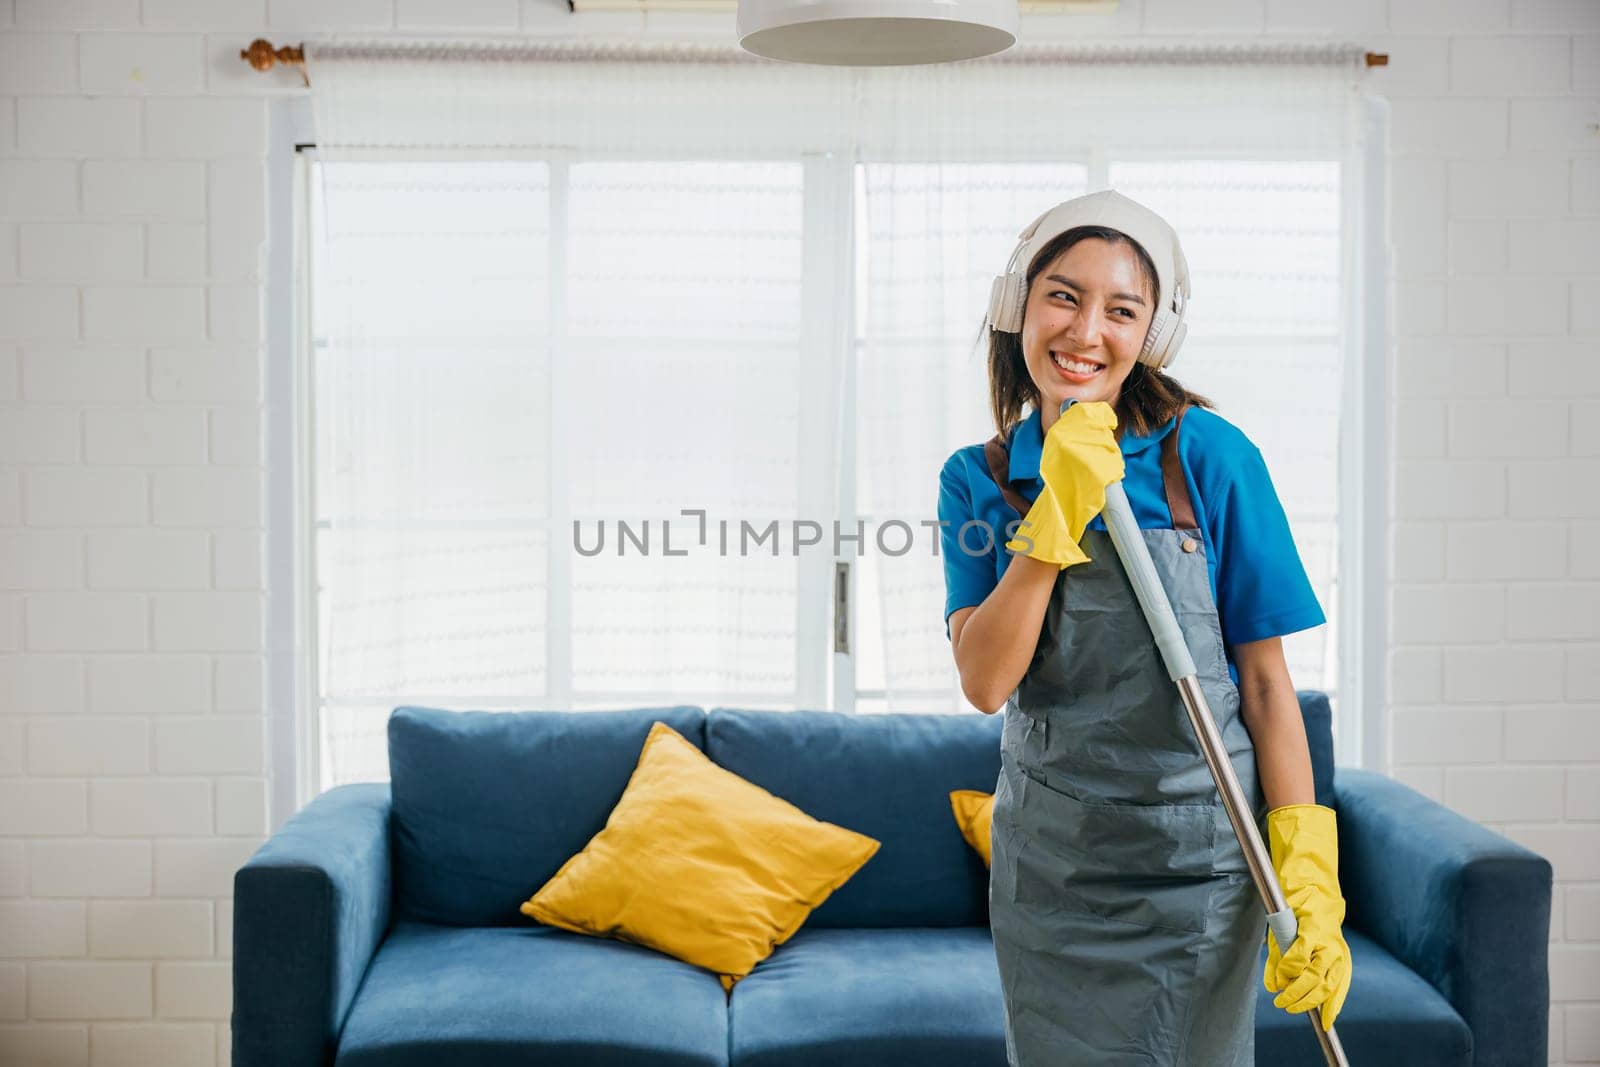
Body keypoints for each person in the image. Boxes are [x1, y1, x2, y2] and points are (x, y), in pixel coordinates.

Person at [937, 190, 1352, 1065]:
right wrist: (1053, 518)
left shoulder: (1209, 455)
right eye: (1063, 295)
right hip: (1052, 873)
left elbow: (1268, 686)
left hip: (1200, 864)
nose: (1087, 330)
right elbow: (983, 681)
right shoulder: (977, 478)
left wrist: (1309, 874)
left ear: (1151, 334)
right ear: (1020, 308)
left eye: (1121, 310)